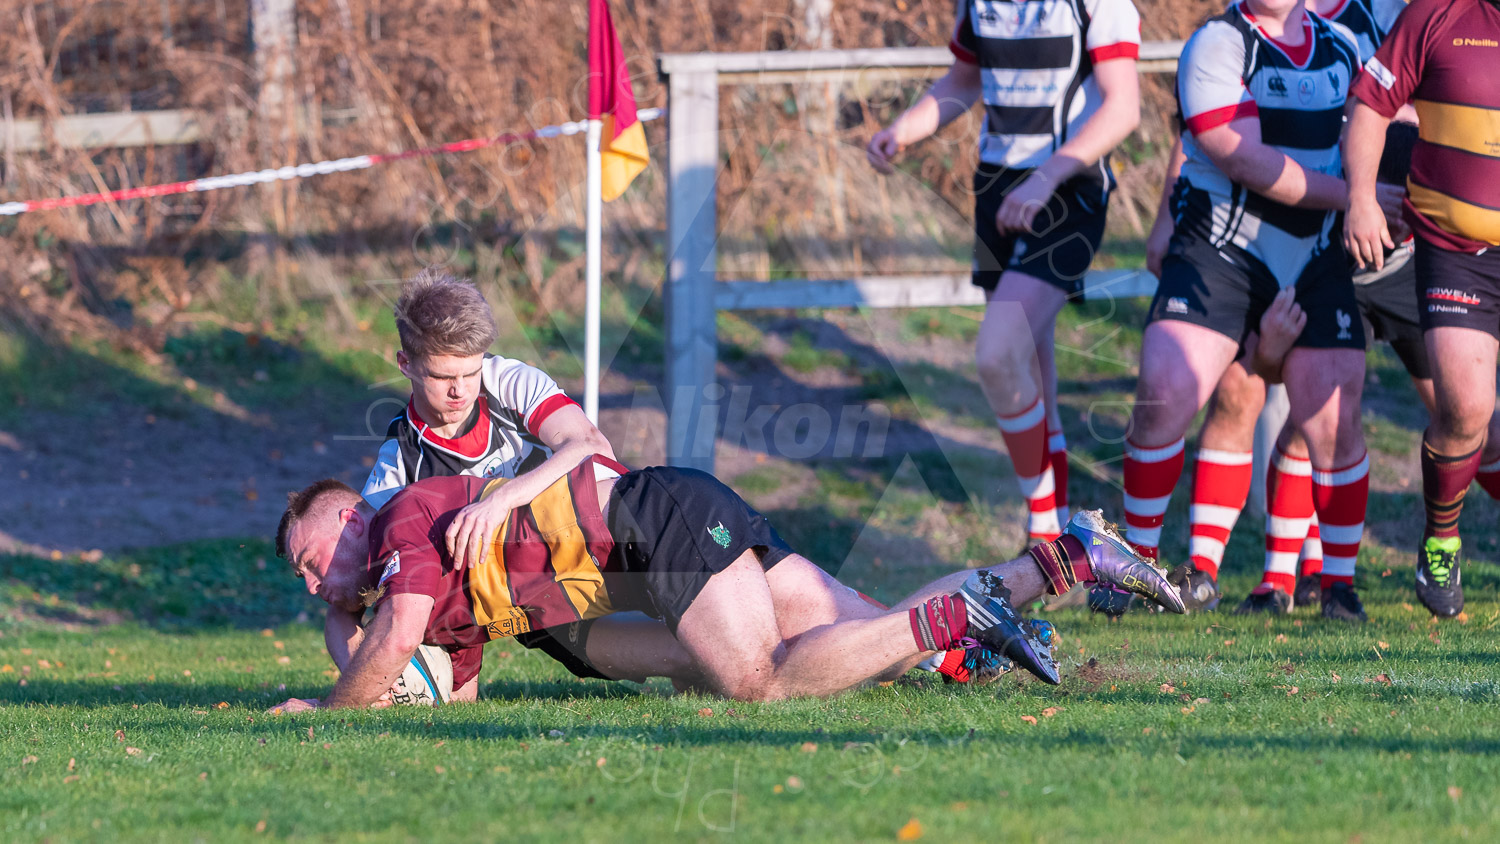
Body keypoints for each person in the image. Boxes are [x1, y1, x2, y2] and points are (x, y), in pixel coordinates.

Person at [269, 456, 1185, 709]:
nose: (318, 585)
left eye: (316, 561)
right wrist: (348, 647)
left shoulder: (398, 526)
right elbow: (432, 680)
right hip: (661, 529)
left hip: (650, 524)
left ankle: (963, 616)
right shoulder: (436, 586)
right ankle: (1066, 558)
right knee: (860, 643)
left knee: (757, 677)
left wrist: (327, 707)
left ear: (352, 517)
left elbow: (394, 641)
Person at [1136, 0, 1411, 615]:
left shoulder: (1343, 45)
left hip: (1313, 258)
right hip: (1222, 252)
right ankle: (1134, 569)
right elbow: (1246, 160)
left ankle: (1338, 587)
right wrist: (1357, 199)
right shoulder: (1218, 43)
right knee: (1165, 388)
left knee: (1335, 411)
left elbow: (1393, 109)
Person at [866, 0, 1142, 545]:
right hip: (997, 190)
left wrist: (1047, 176)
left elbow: (1123, 108)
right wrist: (904, 130)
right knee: (1030, 369)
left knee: (996, 354)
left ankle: (1045, 533)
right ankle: (1057, 529)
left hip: (1066, 189)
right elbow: (964, 81)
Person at [347, 268, 697, 687]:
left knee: (717, 627)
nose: (460, 390)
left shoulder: (507, 381)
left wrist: (500, 501)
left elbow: (590, 445)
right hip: (530, 589)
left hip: (609, 534)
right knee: (678, 660)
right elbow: (357, 590)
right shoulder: (400, 463)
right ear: (405, 363)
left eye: (470, 372)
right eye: (443, 377)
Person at [1345, 0, 1500, 618]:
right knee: (1465, 407)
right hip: (1455, 249)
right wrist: (1359, 196)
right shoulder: (1434, 14)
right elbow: (1370, 107)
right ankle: (1441, 537)